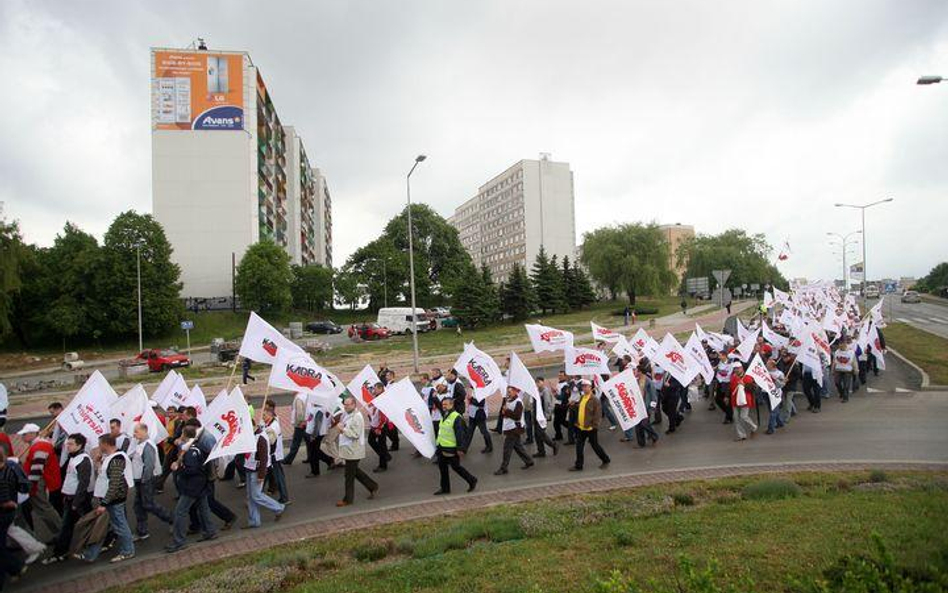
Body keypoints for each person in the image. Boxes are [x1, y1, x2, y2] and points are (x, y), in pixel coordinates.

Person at [78, 434, 135, 563]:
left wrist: (104, 503)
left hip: (113, 500)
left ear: (105, 444)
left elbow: (114, 483)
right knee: (104, 527)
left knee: (119, 526)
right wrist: (98, 462)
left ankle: (128, 551)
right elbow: (105, 476)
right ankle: (90, 554)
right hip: (109, 499)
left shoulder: (117, 459)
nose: (98, 447)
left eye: (100, 444)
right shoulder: (110, 458)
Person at [165, 426, 217, 553]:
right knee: (203, 508)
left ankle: (179, 541)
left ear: (185, 435)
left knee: (180, 512)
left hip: (192, 486)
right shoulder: (196, 447)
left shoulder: (191, 451)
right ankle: (210, 531)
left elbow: (192, 469)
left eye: (182, 433)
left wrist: (178, 468)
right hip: (200, 484)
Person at [44, 433, 92, 565]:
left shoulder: (83, 460)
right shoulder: (73, 458)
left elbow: (83, 483)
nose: (67, 446)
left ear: (79, 445)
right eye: (67, 444)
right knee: (75, 525)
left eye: (71, 444)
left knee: (68, 526)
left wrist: (76, 502)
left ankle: (60, 552)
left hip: (77, 500)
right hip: (70, 498)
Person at [18, 423, 62, 539]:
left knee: (44, 508)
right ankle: (59, 533)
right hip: (39, 481)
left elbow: (37, 469)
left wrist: (30, 485)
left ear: (33, 434)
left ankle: (60, 533)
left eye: (25, 434)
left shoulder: (40, 446)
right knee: (43, 508)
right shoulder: (40, 445)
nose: (22, 437)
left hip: (38, 482)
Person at [130, 423, 172, 542]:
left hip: (145, 480)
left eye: (136, 431)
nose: (134, 434)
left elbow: (149, 465)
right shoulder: (140, 444)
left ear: (144, 431)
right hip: (141, 480)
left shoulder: (147, 446)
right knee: (139, 505)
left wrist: (144, 480)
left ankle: (171, 519)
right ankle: (142, 531)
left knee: (148, 504)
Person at [336, 395, 378, 507]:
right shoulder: (347, 415)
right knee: (355, 472)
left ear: (354, 405)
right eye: (345, 404)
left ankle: (348, 499)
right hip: (349, 449)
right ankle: (372, 486)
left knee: (349, 476)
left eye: (348, 404)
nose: (346, 406)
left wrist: (343, 429)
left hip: (354, 450)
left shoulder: (357, 417)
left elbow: (355, 434)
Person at [242, 423, 285, 528]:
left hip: (256, 470)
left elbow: (264, 458)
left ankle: (278, 507)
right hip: (249, 467)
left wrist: (261, 475)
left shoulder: (261, 438)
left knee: (256, 495)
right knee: (251, 496)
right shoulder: (252, 436)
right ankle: (254, 520)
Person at [433, 397, 477, 495]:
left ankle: (472, 480)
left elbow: (460, 434)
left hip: (451, 449)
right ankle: (445, 488)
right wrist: (435, 398)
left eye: (446, 404)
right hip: (442, 447)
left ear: (451, 405)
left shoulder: (456, 417)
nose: (443, 406)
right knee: (442, 468)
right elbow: (439, 407)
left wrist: (460, 448)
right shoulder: (445, 414)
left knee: (456, 467)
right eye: (443, 404)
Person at [569, 379, 610, 471]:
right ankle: (579, 465)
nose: (584, 388)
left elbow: (598, 415)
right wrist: (574, 405)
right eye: (583, 386)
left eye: (586, 386)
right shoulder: (582, 397)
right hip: (581, 427)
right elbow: (581, 408)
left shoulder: (594, 400)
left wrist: (594, 426)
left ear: (590, 387)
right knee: (579, 446)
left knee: (595, 445)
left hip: (590, 428)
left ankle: (606, 459)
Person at [494, 386, 534, 475]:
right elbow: (505, 413)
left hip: (514, 428)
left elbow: (517, 416)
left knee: (507, 449)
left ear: (515, 392)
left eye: (510, 392)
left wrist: (506, 411)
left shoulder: (518, 402)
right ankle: (529, 461)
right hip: (509, 427)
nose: (508, 393)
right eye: (508, 392)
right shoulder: (508, 400)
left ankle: (504, 468)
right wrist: (504, 411)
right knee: (518, 447)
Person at [0, 447, 25, 586]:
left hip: (4, 514)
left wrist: (8, 503)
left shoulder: (3, 475)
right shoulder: (10, 467)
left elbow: (6, 501)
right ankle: (15, 568)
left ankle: (14, 568)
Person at [262, 405, 290, 504]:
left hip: (274, 455)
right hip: (270, 455)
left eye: (264, 415)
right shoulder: (268, 424)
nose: (262, 417)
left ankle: (284, 497)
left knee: (278, 476)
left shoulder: (274, 426)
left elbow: (270, 441)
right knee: (266, 475)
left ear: (270, 415)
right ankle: (256, 495)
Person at [531, 377, 559, 458]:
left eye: (539, 382)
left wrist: (547, 415)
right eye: (536, 382)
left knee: (541, 433)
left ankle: (553, 445)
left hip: (542, 416)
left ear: (543, 382)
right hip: (536, 415)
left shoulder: (545, 391)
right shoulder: (536, 392)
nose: (537, 384)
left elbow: (548, 404)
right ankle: (541, 451)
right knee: (536, 434)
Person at [367, 385, 392, 473]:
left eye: (376, 389)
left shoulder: (383, 399)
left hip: (380, 426)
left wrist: (379, 428)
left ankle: (383, 465)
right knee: (371, 440)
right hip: (374, 424)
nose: (374, 390)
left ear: (381, 389)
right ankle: (386, 455)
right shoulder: (377, 397)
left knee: (382, 445)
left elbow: (384, 416)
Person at [730, 363, 757, 441]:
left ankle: (753, 426)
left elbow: (753, 389)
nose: (736, 370)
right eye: (735, 368)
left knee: (743, 416)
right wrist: (727, 396)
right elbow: (730, 387)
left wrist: (744, 384)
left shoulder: (748, 377)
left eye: (738, 368)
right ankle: (742, 435)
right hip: (734, 400)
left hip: (745, 400)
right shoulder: (733, 377)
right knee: (736, 418)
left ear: (742, 368)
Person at [282, 392, 309, 465]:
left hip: (300, 424)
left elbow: (299, 412)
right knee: (308, 441)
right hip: (307, 422)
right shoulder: (306, 395)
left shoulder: (299, 398)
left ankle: (288, 459)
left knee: (296, 442)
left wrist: (300, 421)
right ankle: (310, 457)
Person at [465, 387, 493, 454]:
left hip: (479, 415)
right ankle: (464, 448)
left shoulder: (481, 391)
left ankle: (489, 446)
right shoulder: (473, 390)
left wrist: (471, 399)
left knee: (484, 431)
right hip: (472, 415)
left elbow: (481, 403)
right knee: (469, 431)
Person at [764, 359, 786, 435]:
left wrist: (775, 380)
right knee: (772, 410)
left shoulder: (780, 373)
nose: (766, 365)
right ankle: (780, 422)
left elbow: (781, 385)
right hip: (766, 393)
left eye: (767, 364)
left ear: (772, 365)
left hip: (775, 394)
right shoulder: (765, 372)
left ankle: (771, 428)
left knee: (773, 412)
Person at [833, 337, 857, 403]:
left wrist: (856, 369)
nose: (840, 345)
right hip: (838, 369)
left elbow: (854, 362)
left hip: (847, 370)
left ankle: (845, 397)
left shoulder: (851, 352)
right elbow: (834, 361)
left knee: (846, 384)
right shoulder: (837, 352)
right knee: (837, 382)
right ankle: (841, 393)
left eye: (842, 343)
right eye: (839, 344)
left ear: (845, 344)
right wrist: (833, 370)